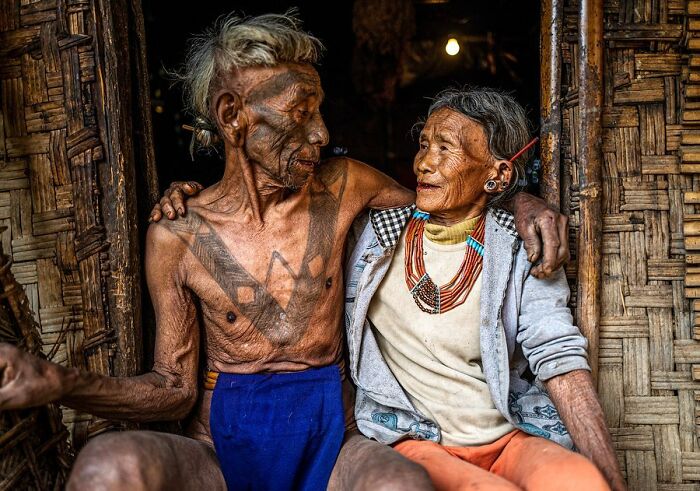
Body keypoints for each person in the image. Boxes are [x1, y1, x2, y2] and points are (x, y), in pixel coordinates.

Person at [0, 12, 569, 491]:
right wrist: (61, 382)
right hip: (220, 456)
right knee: (105, 467)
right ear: (232, 117)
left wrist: (520, 199)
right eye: (300, 113)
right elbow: (172, 390)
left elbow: (453, 197)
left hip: (335, 446)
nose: (321, 133)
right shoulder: (177, 236)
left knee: (402, 485)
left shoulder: (347, 185)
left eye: (319, 110)